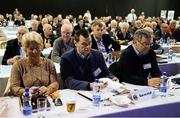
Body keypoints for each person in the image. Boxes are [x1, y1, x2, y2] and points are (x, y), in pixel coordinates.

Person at [10, 31, 59, 96]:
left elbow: (55, 83)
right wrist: (27, 91)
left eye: (37, 48)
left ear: (41, 48)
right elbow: (13, 87)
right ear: (25, 49)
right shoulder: (18, 65)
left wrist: (48, 89)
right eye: (31, 49)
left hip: (45, 99)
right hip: (26, 101)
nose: (35, 51)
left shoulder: (49, 63)